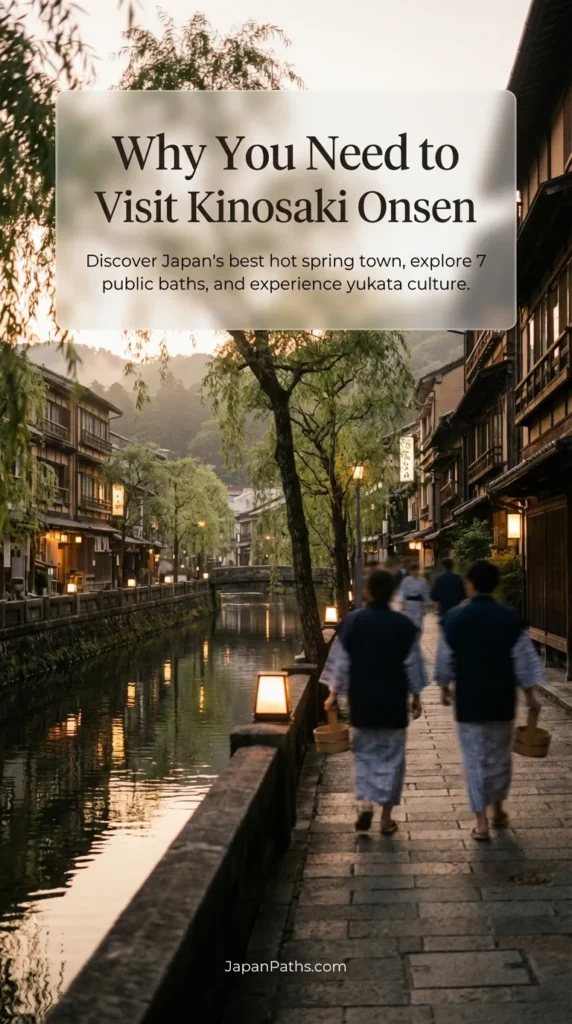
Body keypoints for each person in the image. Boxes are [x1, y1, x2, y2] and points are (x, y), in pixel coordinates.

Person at [435, 559, 544, 841]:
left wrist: (444, 686)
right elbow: (523, 659)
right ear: (495, 585)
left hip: (470, 699)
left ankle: (481, 822)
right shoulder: (509, 618)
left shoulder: (455, 618)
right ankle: (497, 809)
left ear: (470, 585)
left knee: (475, 759)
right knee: (499, 757)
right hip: (501, 699)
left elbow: (445, 657)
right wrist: (530, 695)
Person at [321, 568, 428, 835]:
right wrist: (416, 696)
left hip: (363, 701)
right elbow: (412, 664)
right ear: (393, 593)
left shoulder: (353, 622)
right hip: (393, 702)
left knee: (364, 756)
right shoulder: (404, 626)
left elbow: (341, 663)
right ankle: (386, 818)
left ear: (367, 592)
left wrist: (334, 694)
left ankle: (366, 803)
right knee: (393, 759)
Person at [397, 560, 431, 629]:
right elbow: (402, 592)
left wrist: (426, 605)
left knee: (418, 624)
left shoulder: (422, 581)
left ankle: (417, 639)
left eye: (416, 570)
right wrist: (402, 605)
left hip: (419, 605)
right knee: (409, 623)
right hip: (408, 604)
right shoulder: (406, 580)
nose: (415, 572)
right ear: (410, 571)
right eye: (413, 570)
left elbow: (425, 593)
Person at [430, 556, 465, 623]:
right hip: (455, 608)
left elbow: (434, 595)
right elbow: (463, 595)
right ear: (452, 566)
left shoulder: (439, 578)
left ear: (443, 566)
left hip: (443, 609)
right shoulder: (458, 578)